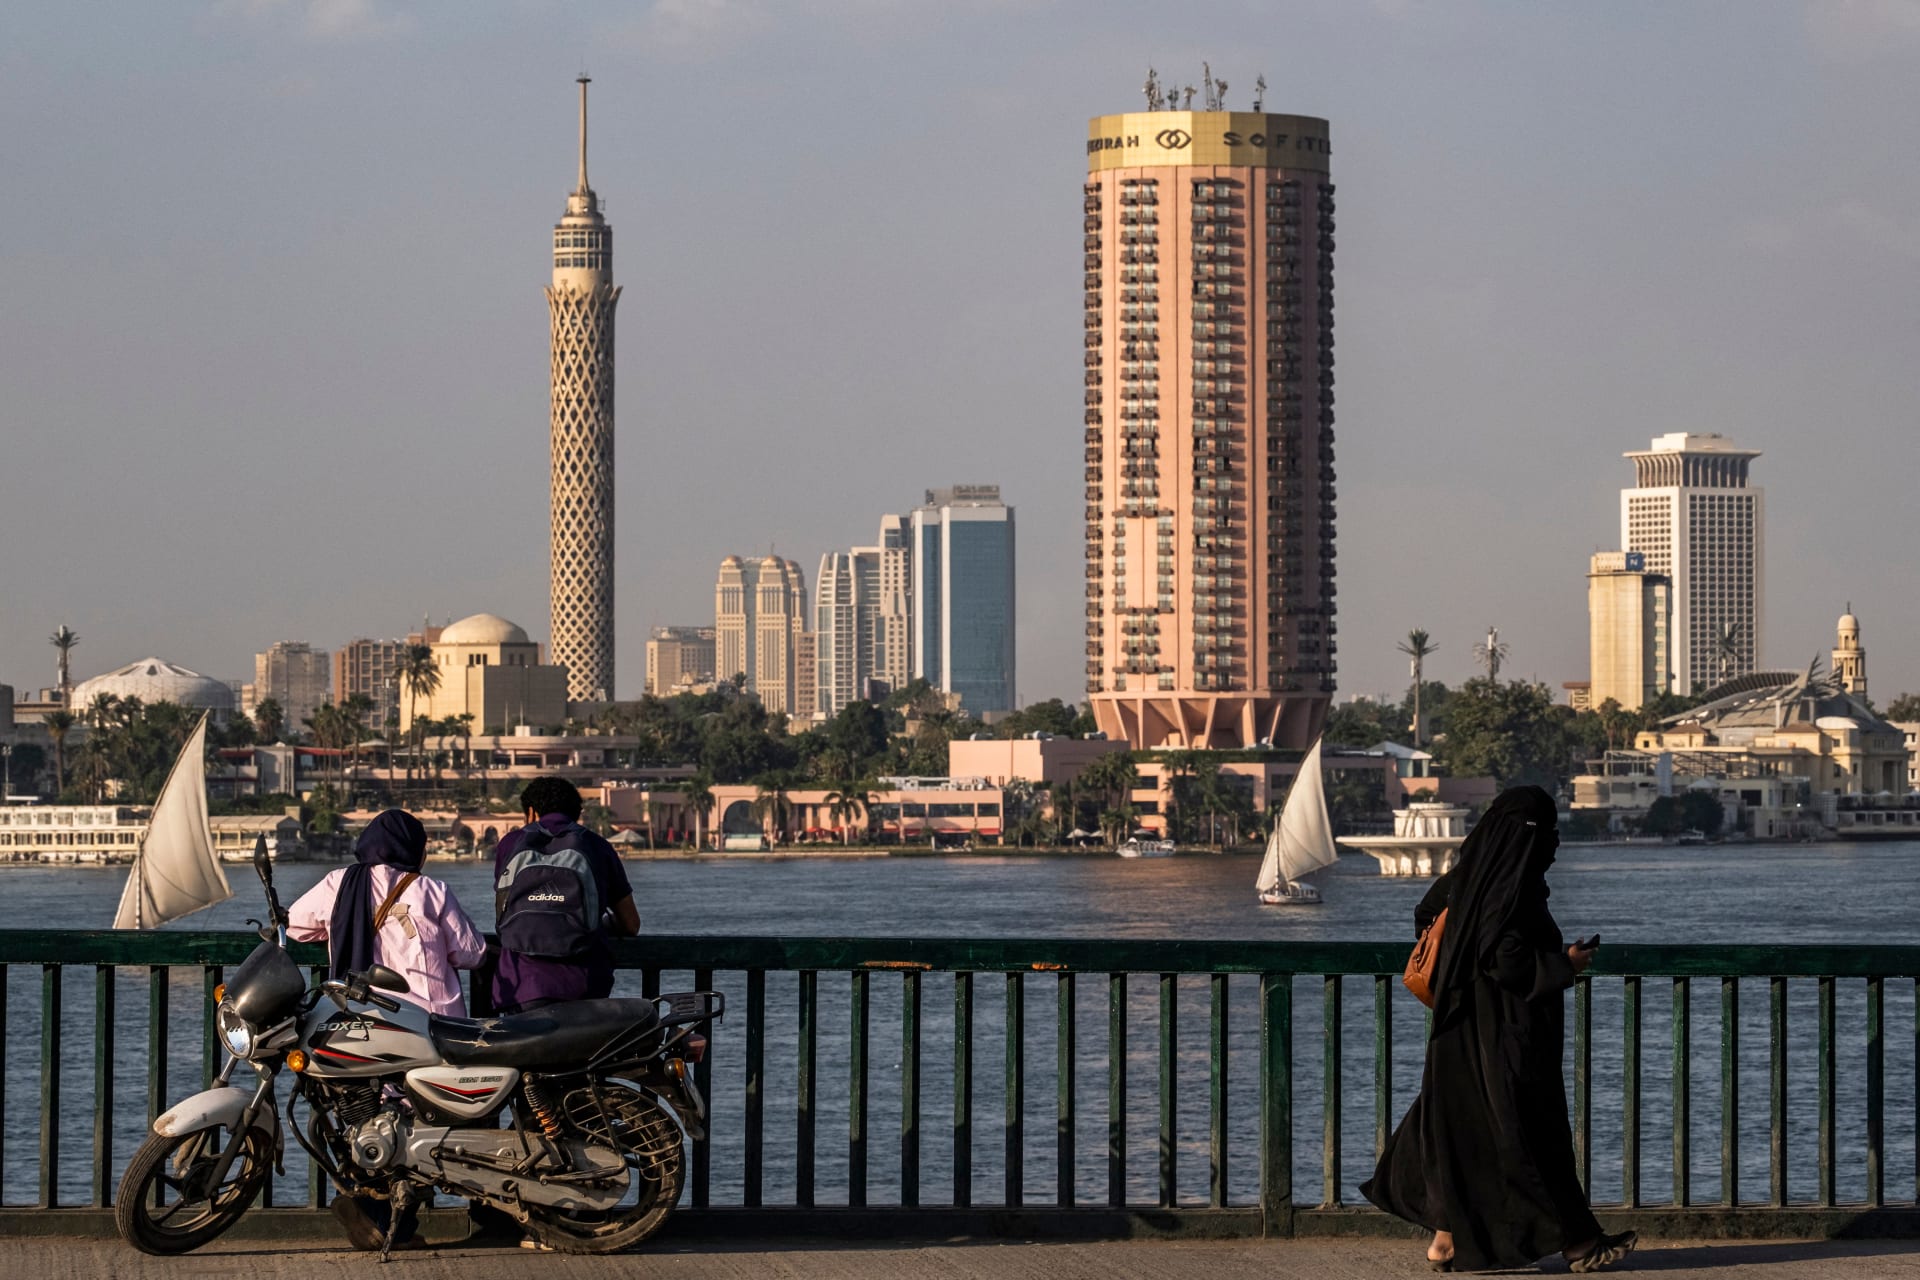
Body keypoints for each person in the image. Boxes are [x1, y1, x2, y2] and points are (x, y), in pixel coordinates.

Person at [1361, 785, 1637, 1274]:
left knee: (1461, 1129)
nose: (1552, 844)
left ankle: (1447, 1238)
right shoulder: (1511, 885)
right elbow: (1505, 958)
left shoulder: (1468, 877)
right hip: (1506, 1035)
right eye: (1547, 832)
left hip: (1459, 1029)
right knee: (1529, 1133)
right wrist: (1564, 965)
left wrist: (1456, 970)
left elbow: (1429, 917)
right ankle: (1576, 1242)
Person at [288, 808, 486, 1253]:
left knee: (374, 1118)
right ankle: (394, 1215)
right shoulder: (431, 890)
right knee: (428, 1124)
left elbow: (297, 926)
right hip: (433, 1026)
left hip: (365, 1025)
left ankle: (374, 1208)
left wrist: (341, 927)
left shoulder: (340, 883)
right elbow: (473, 953)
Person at [491, 776, 639, 1014]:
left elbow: (504, 907)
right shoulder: (596, 845)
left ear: (531, 812)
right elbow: (631, 923)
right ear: (577, 813)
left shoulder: (510, 843)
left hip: (520, 987)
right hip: (584, 987)